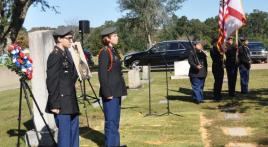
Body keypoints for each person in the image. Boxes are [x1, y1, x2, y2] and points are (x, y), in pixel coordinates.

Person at [46, 26, 79, 147]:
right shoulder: (55, 55)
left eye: (72, 38)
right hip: (61, 102)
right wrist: (54, 104)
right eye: (68, 38)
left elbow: (72, 76)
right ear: (59, 39)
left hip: (70, 100)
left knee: (74, 134)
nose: (71, 40)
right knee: (65, 137)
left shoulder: (67, 54)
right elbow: (51, 81)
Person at [98, 27, 127, 147]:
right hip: (110, 93)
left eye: (116, 35)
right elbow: (102, 74)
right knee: (111, 123)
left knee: (115, 122)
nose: (117, 37)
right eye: (114, 36)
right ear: (107, 38)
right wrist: (107, 92)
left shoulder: (113, 50)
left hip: (116, 91)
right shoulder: (105, 52)